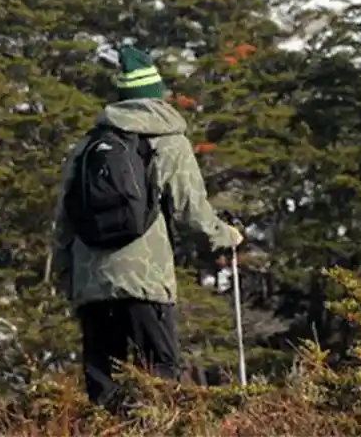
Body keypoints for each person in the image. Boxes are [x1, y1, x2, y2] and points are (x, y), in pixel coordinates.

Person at [52, 45, 243, 409]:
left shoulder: (88, 145)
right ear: (157, 96)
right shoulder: (168, 141)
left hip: (92, 286)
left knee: (104, 389)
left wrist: (68, 276)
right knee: (159, 377)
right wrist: (227, 236)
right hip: (145, 282)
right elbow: (192, 211)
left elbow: (64, 220)